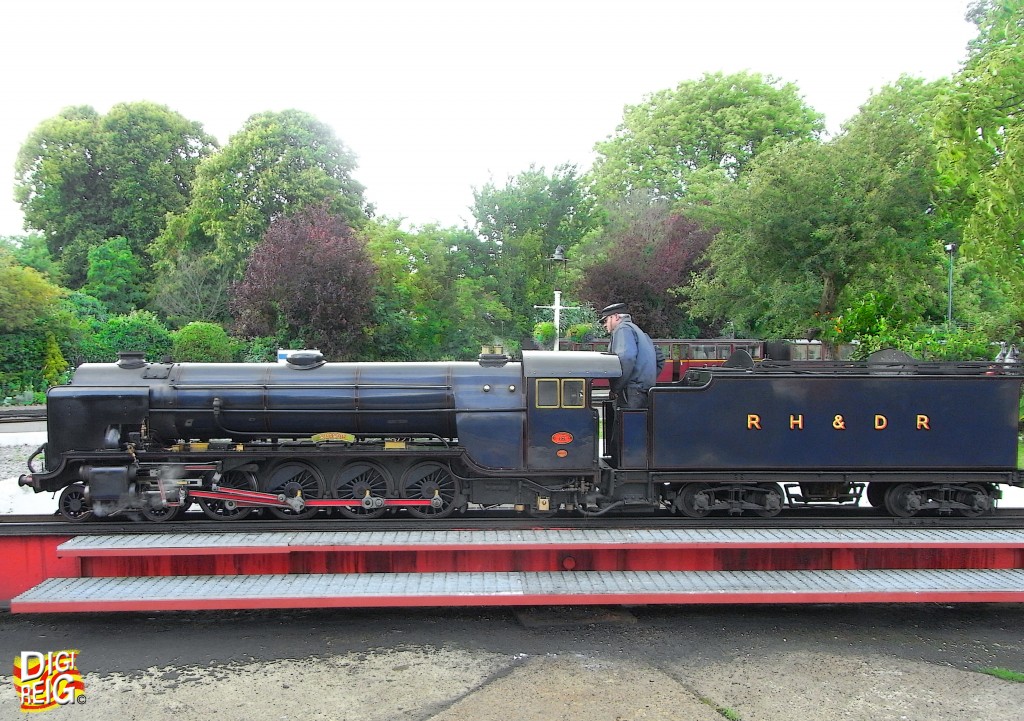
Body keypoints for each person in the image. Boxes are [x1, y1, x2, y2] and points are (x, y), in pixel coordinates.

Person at [599, 303, 661, 409]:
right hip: (643, 391)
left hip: (630, 392)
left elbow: (627, 358)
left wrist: (616, 388)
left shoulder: (622, 329)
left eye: (606, 320)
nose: (604, 325)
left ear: (616, 317)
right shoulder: (639, 331)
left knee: (625, 424)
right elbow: (660, 359)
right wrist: (645, 379)